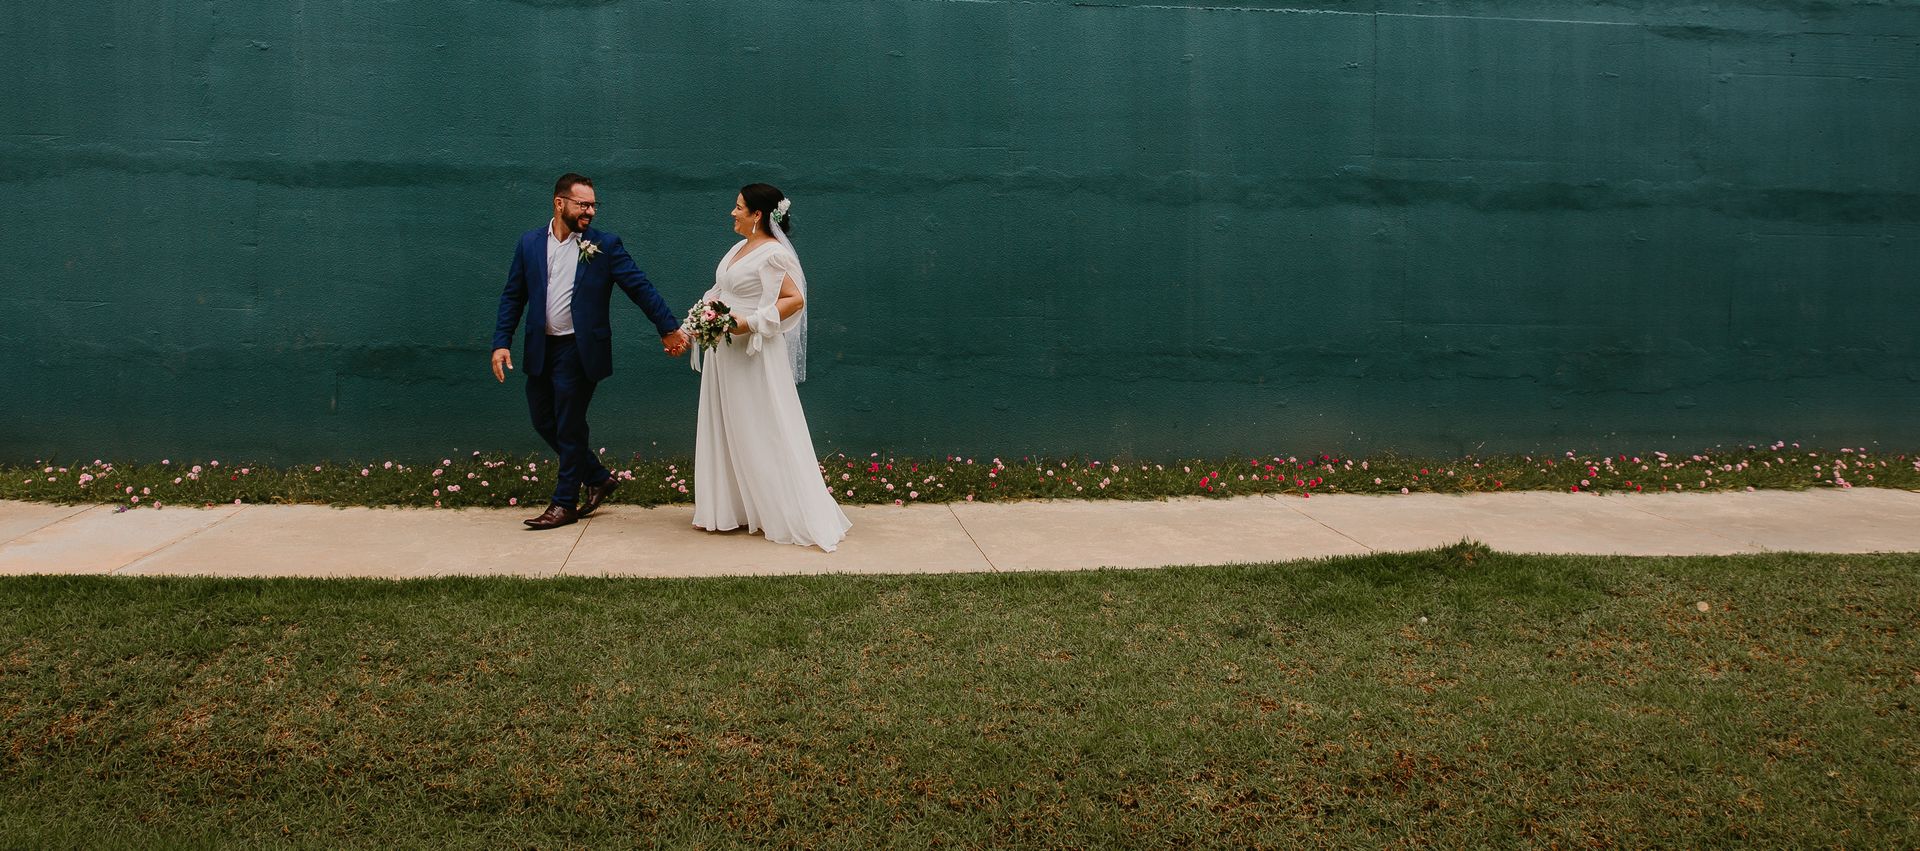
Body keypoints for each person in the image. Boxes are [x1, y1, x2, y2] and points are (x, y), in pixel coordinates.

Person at [492, 173, 691, 530]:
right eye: (582, 204)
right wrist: (501, 342)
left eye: (593, 205)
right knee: (542, 419)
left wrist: (668, 328)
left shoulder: (605, 245)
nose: (590, 211)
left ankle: (564, 503)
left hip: (580, 349)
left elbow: (639, 287)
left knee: (569, 424)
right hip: (541, 347)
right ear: (559, 203)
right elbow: (513, 295)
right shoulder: (529, 244)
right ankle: (598, 478)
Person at [690, 183, 851, 551]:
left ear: (757, 214)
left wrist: (747, 323)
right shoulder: (738, 248)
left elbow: (794, 300)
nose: (733, 212)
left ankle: (777, 510)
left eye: (738, 207)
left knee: (759, 425)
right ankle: (729, 508)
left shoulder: (774, 254)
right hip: (724, 354)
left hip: (753, 355)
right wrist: (693, 325)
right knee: (728, 423)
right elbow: (718, 293)